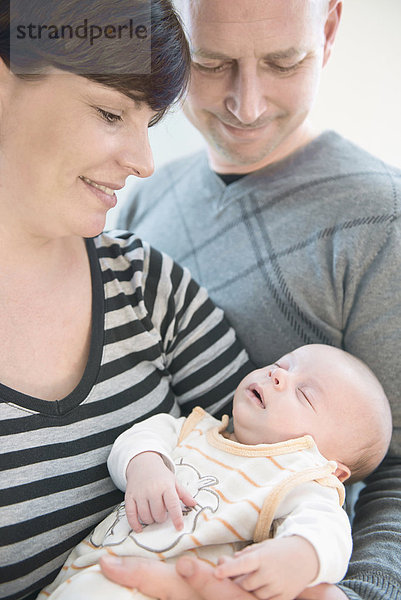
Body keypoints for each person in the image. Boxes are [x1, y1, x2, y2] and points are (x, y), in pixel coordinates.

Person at [114, 0, 401, 599]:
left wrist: (354, 595)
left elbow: (396, 473)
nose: (247, 104)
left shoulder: (382, 222)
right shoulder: (140, 197)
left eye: (283, 61)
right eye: (212, 62)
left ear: (327, 31)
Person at [0, 2, 252, 600]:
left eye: (150, 123)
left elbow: (288, 461)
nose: (143, 163)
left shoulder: (146, 284)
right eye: (112, 112)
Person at [38, 344, 392, 600]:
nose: (279, 376)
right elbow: (140, 437)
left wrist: (299, 556)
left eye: (306, 395)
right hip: (83, 577)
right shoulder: (193, 430)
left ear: (333, 470)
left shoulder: (301, 477)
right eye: (283, 363)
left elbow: (328, 530)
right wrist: (145, 465)